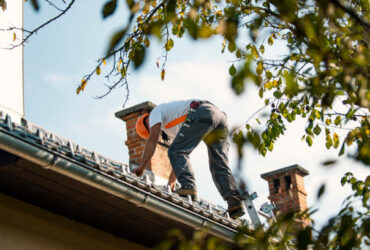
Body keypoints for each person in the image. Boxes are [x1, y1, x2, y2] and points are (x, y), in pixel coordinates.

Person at [133, 99, 245, 218]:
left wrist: (142, 167)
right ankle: (235, 203)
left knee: (176, 151)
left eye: (151, 129)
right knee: (218, 164)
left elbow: (153, 140)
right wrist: (171, 183)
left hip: (202, 112)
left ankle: (189, 187)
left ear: (147, 122)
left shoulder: (154, 113)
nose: (155, 131)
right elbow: (179, 157)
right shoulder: (172, 130)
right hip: (219, 118)